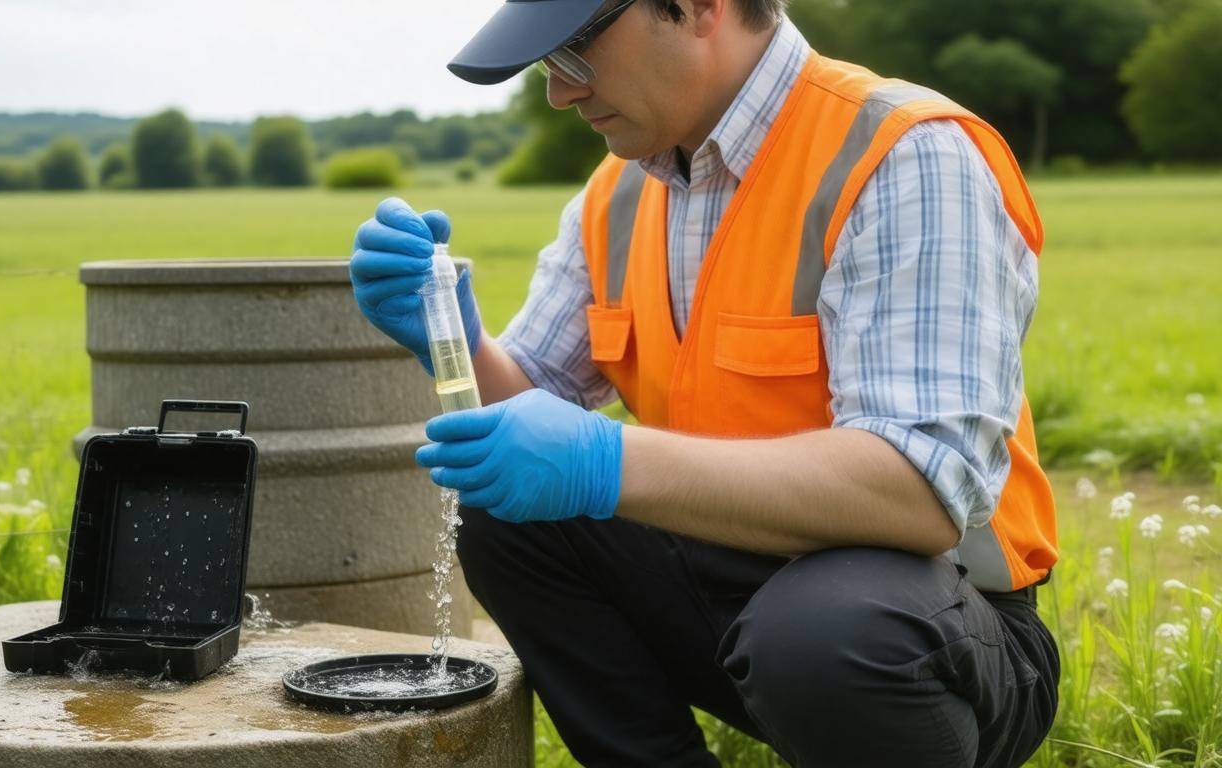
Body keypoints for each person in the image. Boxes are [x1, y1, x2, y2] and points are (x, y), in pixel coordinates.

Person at [349, 1, 1060, 765]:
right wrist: (451, 338)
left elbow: (922, 491)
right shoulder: (620, 191)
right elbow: (530, 413)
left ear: (697, 8)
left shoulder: (904, 154)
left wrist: (607, 462)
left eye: (577, 49)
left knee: (823, 631)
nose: (560, 92)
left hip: (930, 630)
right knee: (509, 513)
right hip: (738, 594)